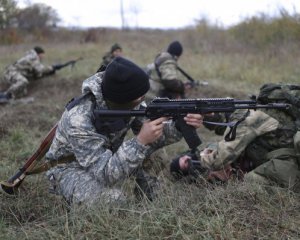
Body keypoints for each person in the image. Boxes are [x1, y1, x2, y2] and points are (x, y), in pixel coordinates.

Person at [45, 57, 203, 206]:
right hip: (70, 168)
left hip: (103, 160)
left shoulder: (129, 101)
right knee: (114, 201)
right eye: (139, 97)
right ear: (122, 99)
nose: (143, 100)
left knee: (153, 154)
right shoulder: (79, 119)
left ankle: (149, 201)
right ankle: (64, 195)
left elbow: (154, 134)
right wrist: (140, 141)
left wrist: (180, 126)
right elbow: (105, 172)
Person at [170, 83, 300, 190]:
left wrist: (202, 162)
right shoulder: (253, 113)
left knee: (250, 182)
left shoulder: (249, 119)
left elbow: (220, 157)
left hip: (293, 157)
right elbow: (227, 126)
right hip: (288, 155)